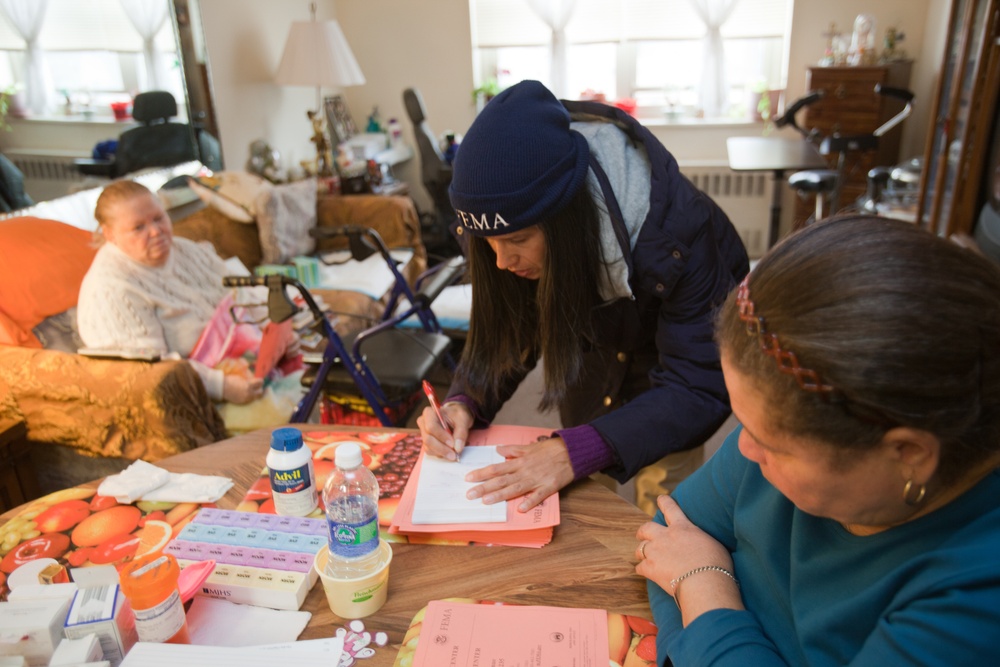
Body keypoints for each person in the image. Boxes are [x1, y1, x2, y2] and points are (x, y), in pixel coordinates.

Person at [635, 215, 1000, 666]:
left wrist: (701, 581)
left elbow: (681, 562)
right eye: (742, 422)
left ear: (909, 454)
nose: (743, 449)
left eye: (774, 443)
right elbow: (668, 535)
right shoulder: (789, 416)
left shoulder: (975, 602)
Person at [417, 80, 749, 513]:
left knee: (668, 504)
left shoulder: (681, 232)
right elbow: (512, 332)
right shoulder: (504, 236)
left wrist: (576, 449)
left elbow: (696, 383)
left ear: (566, 220)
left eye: (516, 239)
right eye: (489, 243)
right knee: (584, 501)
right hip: (589, 350)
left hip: (670, 366)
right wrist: (465, 400)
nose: (500, 261)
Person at [77, 179, 264, 405]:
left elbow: (240, 292)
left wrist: (274, 327)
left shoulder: (186, 250)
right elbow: (151, 371)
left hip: (252, 361)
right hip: (204, 397)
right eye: (139, 227)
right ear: (110, 234)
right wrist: (221, 386)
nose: (156, 231)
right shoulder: (111, 290)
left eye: (159, 218)